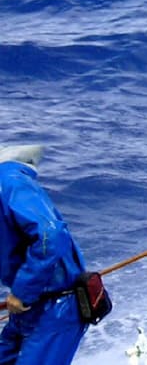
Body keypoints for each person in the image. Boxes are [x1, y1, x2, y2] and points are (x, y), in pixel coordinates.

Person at [0, 145, 89, 364]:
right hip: (29, 308)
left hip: (57, 306)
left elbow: (50, 234)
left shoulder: (10, 182)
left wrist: (22, 291)